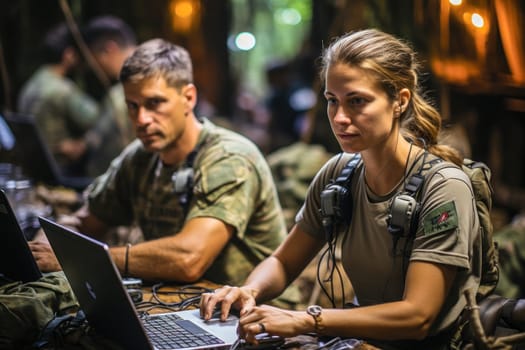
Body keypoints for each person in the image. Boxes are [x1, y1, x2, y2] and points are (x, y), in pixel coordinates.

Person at [200, 28, 482, 349]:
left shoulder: (443, 188)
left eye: (357, 101)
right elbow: (283, 262)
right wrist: (249, 291)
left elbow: (418, 316)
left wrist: (306, 320)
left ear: (400, 101)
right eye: (332, 101)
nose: (340, 117)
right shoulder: (340, 172)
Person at [29, 39, 298, 306]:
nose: (142, 119)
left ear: (188, 98)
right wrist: (48, 243)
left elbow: (189, 258)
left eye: (154, 103)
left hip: (256, 316)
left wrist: (79, 258)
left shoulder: (228, 156)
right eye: (132, 106)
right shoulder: (140, 158)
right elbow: (85, 220)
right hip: (181, 304)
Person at [17, 22, 99, 177]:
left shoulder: (31, 85)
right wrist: (85, 143)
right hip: (62, 170)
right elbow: (98, 119)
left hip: (35, 169)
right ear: (69, 55)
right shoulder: (62, 89)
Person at [81, 15, 137, 177]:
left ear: (109, 49)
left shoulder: (123, 93)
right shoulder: (120, 90)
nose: (94, 66)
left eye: (94, 58)